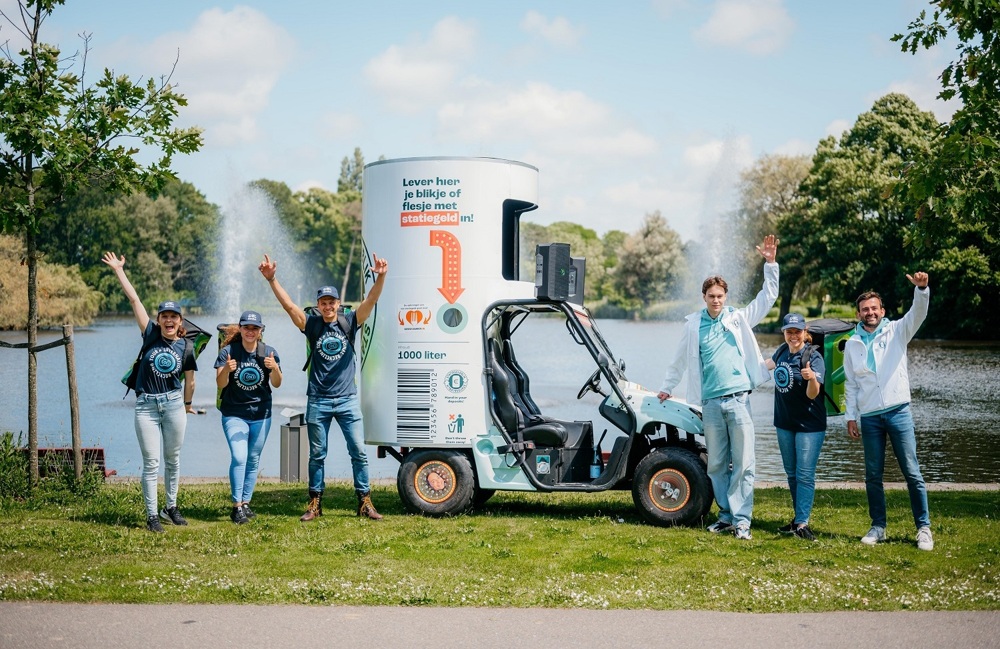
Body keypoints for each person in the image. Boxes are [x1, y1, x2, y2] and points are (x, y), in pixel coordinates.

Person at [657, 235, 779, 541]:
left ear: (726, 296)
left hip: (738, 401)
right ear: (704, 297)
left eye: (720, 296)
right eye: (711, 296)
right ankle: (725, 517)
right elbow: (679, 361)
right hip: (710, 404)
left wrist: (770, 264)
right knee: (716, 466)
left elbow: (768, 298)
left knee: (744, 464)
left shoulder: (738, 319)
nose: (716, 300)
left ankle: (743, 521)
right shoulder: (693, 325)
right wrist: (667, 387)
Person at [258, 253, 388, 521]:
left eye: (332, 302)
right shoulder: (312, 324)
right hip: (318, 399)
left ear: (338, 304)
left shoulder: (350, 321)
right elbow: (289, 306)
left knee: (359, 453)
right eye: (323, 302)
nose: (328, 306)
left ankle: (364, 502)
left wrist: (381, 277)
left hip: (347, 400)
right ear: (318, 304)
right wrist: (272, 279)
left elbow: (371, 300)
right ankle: (315, 504)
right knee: (317, 454)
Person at [102, 252, 197, 533]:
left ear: (180, 322)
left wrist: (188, 404)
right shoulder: (150, 334)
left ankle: (171, 507)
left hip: (173, 405)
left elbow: (189, 380)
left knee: (173, 459)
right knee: (152, 462)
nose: (169, 321)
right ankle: (152, 515)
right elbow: (134, 299)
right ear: (158, 319)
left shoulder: (187, 348)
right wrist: (120, 270)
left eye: (174, 317)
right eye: (164, 316)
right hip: (146, 406)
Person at [845, 272, 933, 551]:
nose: (869, 313)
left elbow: (917, 314)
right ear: (858, 313)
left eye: (874, 308)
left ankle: (923, 528)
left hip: (898, 412)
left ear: (882, 311)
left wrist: (921, 289)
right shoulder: (852, 344)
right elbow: (851, 383)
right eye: (865, 309)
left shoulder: (896, 330)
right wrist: (850, 416)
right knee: (873, 475)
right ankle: (878, 527)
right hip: (870, 418)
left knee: (912, 472)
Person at [215, 310, 282, 524]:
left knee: (253, 460)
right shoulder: (228, 351)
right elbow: (220, 383)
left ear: (261, 331)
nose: (250, 332)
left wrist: (275, 369)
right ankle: (236, 507)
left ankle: (245, 502)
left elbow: (278, 384)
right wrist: (226, 369)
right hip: (234, 413)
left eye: (255, 328)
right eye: (246, 327)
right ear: (241, 329)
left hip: (261, 414)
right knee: (239, 456)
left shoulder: (268, 352)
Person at [764, 312, 826, 542]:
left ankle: (803, 523)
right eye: (789, 332)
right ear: (784, 332)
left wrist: (811, 378)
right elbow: (764, 367)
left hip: (810, 425)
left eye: (797, 331)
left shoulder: (813, 356)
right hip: (784, 422)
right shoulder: (781, 351)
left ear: (804, 332)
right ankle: (797, 519)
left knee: (805, 474)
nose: (793, 336)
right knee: (792, 474)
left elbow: (813, 394)